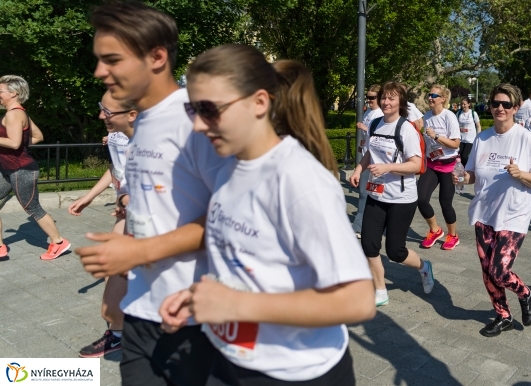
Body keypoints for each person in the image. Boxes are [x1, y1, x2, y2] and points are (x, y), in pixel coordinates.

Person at [158, 48, 374, 385]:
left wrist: (238, 305)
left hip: (296, 374)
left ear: (259, 103)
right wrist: (200, 298)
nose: (198, 124)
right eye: (192, 108)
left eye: (209, 109)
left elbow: (359, 301)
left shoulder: (299, 180)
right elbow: (249, 260)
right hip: (228, 360)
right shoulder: (230, 166)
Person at [75, 0, 228, 386]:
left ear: (157, 57)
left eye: (112, 60)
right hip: (143, 310)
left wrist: (139, 251)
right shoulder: (143, 124)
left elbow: (235, 216)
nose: (99, 72)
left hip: (195, 317)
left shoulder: (197, 122)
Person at [457, 84, 531, 337]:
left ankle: (526, 293)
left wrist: (521, 174)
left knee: (499, 270)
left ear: (516, 108)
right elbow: (473, 174)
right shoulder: (482, 138)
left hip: (513, 214)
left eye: (506, 104)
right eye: (495, 103)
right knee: (487, 271)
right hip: (483, 213)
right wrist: (463, 178)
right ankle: (503, 315)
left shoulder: (526, 138)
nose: (500, 108)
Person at [349, 82, 434, 307]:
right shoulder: (376, 123)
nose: (386, 102)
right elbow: (370, 151)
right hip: (377, 195)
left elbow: (416, 165)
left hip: (401, 198)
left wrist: (387, 168)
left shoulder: (406, 129)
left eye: (392, 99)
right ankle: (380, 290)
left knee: (396, 251)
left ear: (401, 102)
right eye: (384, 98)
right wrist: (359, 169)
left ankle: (424, 267)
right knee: (368, 244)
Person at [69, 91, 137, 358]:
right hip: (131, 211)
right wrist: (91, 197)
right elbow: (117, 169)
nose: (101, 115)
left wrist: (131, 199)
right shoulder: (122, 133)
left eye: (106, 111)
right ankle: (119, 332)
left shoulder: (156, 140)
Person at [0, 75, 70, 261]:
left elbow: (14, 143)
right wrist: (20, 143)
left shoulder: (13, 114)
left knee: (33, 208)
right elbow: (37, 136)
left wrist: (17, 143)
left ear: (13, 93)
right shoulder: (20, 112)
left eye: (0, 91)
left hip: (21, 170)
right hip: (8, 169)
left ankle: (58, 242)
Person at [418, 85, 462, 250]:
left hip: (448, 165)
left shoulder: (449, 116)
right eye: (429, 94)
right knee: (421, 199)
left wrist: (436, 136)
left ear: (443, 98)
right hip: (431, 163)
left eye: (434, 95)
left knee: (446, 203)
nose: (430, 97)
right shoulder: (427, 116)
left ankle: (453, 235)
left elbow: (456, 143)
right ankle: (435, 230)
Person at [353, 85, 383, 237]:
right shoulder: (368, 112)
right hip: (366, 157)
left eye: (372, 97)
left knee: (374, 193)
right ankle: (359, 226)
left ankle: (366, 225)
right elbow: (366, 138)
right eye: (368, 97)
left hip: (377, 160)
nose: (369, 100)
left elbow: (378, 134)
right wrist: (360, 148)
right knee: (364, 193)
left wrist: (364, 127)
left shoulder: (380, 114)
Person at [456, 98, 481, 165]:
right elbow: (455, 125)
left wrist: (478, 137)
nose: (463, 105)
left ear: (469, 104)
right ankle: (461, 170)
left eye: (465, 104)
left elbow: (478, 126)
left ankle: (467, 168)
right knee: (459, 155)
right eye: (462, 104)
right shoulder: (459, 113)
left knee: (464, 155)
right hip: (461, 138)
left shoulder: (473, 113)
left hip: (470, 139)